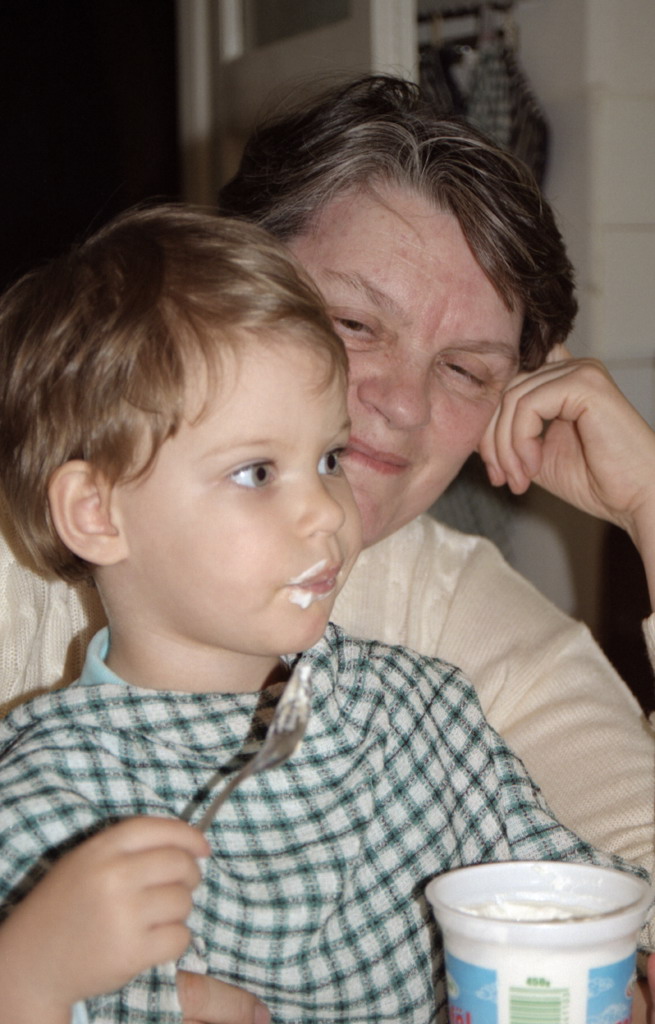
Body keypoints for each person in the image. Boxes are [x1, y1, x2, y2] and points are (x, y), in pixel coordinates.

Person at [1, 74, 655, 1018]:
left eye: (464, 368)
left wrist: (648, 502)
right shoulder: (46, 768)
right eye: (353, 325)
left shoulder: (433, 667)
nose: (401, 404)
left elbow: (627, 894)